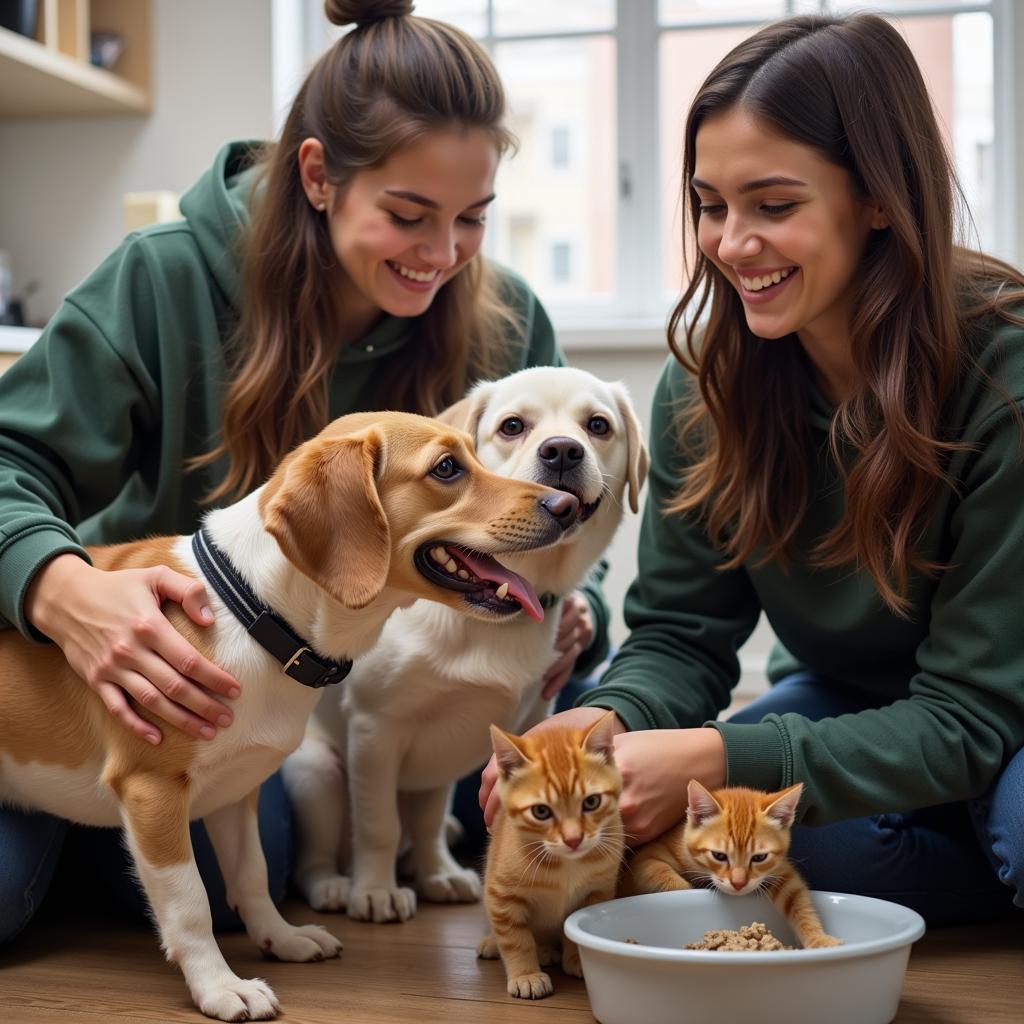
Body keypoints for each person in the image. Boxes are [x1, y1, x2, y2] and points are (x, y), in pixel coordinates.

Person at [0, 0, 609, 945]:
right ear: (318, 175)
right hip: (130, 681)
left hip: (301, 720)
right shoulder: (163, 279)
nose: (442, 255)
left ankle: (115, 818)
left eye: (473, 219)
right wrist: (62, 589)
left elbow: (561, 516)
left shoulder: (504, 326)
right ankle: (92, 793)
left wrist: (579, 611)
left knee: (245, 868)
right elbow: (10, 462)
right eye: (408, 215)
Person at [481, 12, 1024, 927]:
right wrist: (607, 721)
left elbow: (971, 714)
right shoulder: (706, 384)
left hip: (1002, 710)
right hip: (854, 701)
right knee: (729, 840)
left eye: (775, 206)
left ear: (880, 197)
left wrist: (728, 759)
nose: (732, 245)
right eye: (710, 204)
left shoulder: (1002, 381)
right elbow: (683, 635)